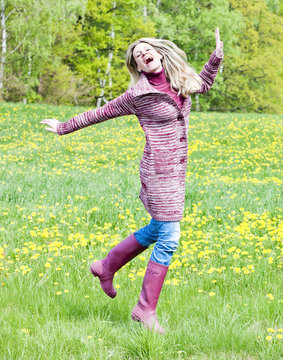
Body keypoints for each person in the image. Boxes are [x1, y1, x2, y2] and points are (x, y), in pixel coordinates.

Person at [41, 29, 224, 334]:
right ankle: (144, 309)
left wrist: (216, 57)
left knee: (158, 228)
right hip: (157, 173)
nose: (144, 54)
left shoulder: (179, 81)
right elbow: (100, 112)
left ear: (159, 54)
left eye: (147, 50)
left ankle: (106, 266)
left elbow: (203, 84)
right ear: (138, 67)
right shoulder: (137, 95)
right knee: (169, 236)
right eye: (138, 55)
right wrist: (63, 127)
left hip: (176, 173)